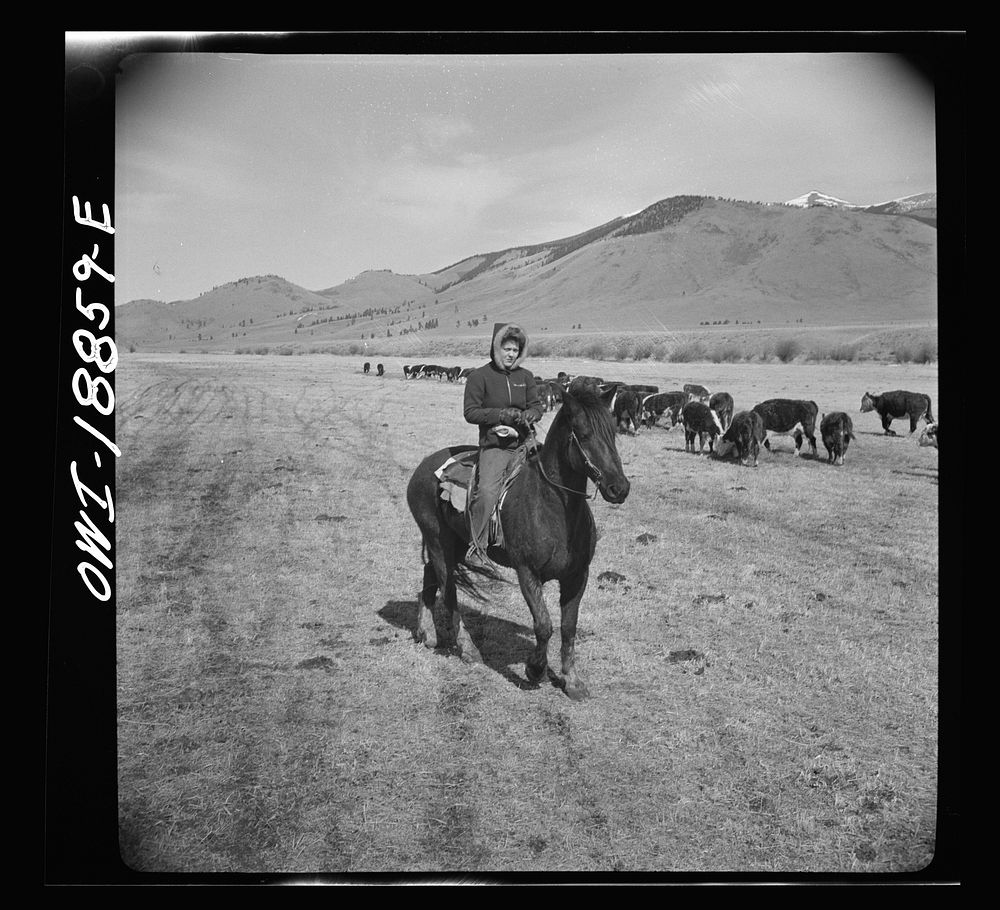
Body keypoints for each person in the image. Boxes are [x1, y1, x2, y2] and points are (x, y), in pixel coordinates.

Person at [462, 322, 543, 565]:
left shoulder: (525, 377)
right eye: (507, 349)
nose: (510, 354)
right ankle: (477, 545)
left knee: (556, 477)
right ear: (496, 348)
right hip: (495, 447)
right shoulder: (479, 377)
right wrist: (500, 415)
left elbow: (537, 405)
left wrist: (532, 415)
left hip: (525, 443)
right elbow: (470, 412)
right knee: (487, 491)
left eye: (515, 350)